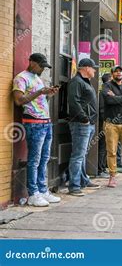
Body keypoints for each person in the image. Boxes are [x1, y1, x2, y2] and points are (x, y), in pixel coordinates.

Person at [12, 53, 60, 207]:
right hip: (33, 123)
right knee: (35, 160)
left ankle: (42, 189)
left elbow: (38, 102)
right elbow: (19, 101)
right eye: (41, 66)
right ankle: (33, 194)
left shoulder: (37, 78)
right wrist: (40, 92)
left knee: (44, 158)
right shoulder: (21, 78)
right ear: (32, 62)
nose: (42, 69)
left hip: (45, 122)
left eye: (44, 67)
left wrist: (48, 95)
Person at [67, 58, 101, 196]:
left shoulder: (85, 82)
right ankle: (74, 186)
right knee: (78, 155)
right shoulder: (76, 81)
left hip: (88, 124)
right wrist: (84, 119)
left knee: (83, 154)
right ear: (86, 68)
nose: (94, 70)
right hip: (81, 124)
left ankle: (83, 180)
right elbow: (73, 102)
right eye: (93, 68)